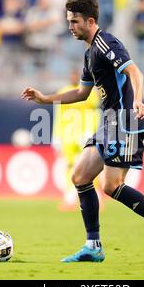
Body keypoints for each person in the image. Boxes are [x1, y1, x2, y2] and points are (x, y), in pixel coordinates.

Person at [21, 0, 144, 263]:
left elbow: (135, 73)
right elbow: (82, 93)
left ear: (90, 21)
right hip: (109, 122)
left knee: (110, 185)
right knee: (80, 177)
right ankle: (93, 246)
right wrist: (44, 99)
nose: (71, 26)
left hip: (124, 120)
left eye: (74, 21)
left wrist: (138, 99)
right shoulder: (89, 54)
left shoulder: (106, 43)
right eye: (68, 21)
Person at [52, 69, 101, 211]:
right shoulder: (63, 91)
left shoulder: (90, 93)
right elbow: (58, 116)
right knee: (70, 166)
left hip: (84, 135)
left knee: (90, 166)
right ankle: (69, 199)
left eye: (76, 76)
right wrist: (56, 136)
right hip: (68, 136)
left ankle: (96, 198)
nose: (74, 78)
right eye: (72, 76)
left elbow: (95, 113)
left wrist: (92, 133)